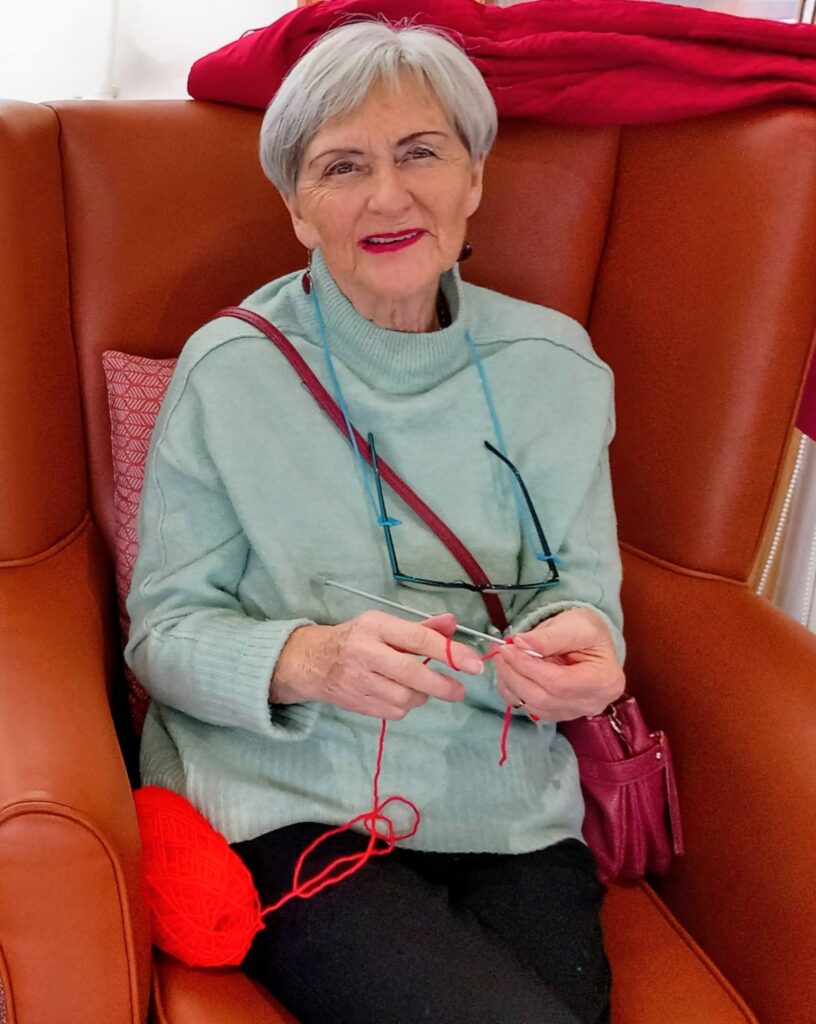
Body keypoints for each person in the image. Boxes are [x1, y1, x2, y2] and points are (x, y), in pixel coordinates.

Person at [126, 19, 625, 1024]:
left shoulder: (558, 367)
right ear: (298, 208)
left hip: (516, 812)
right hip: (290, 799)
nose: (387, 195)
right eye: (342, 165)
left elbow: (585, 594)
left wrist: (590, 651)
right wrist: (309, 659)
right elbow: (161, 636)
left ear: (474, 177)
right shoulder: (232, 372)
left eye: (421, 152)